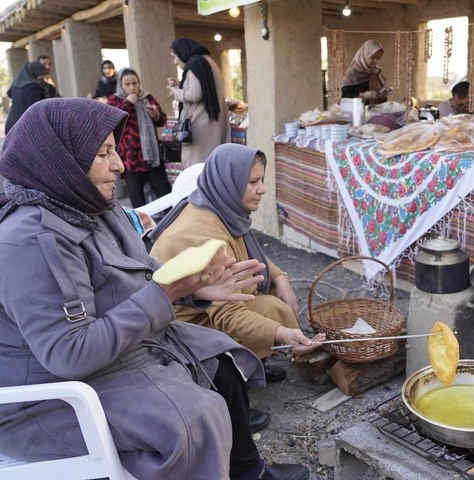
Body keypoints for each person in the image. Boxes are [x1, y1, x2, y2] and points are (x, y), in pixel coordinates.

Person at [0, 98, 310, 480]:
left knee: (223, 362)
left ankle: (246, 470)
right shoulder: (32, 240)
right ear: (58, 160)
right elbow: (69, 352)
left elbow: (144, 269)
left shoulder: (93, 208)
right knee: (193, 418)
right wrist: (164, 295)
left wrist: (196, 288)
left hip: (120, 354)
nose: (120, 165)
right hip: (53, 396)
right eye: (104, 153)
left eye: (115, 151)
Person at [150, 144, 325, 384]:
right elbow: (228, 315)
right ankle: (234, 384)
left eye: (262, 180)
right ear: (228, 182)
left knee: (269, 284)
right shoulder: (206, 236)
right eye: (253, 182)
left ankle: (256, 359)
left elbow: (246, 254)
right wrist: (284, 334)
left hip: (205, 304)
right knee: (272, 308)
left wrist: (281, 277)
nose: (262, 189)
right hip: (182, 324)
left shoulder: (217, 206)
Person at [107, 68, 172, 209]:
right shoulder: (114, 100)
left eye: (134, 83)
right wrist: (128, 103)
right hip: (131, 158)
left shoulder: (146, 97)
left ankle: (171, 223)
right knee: (137, 198)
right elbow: (113, 121)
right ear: (120, 85)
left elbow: (162, 120)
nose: (132, 88)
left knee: (164, 194)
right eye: (127, 84)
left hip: (152, 156)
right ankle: (143, 229)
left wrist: (156, 116)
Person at [168, 38, 230, 169]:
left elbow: (195, 94)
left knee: (197, 170)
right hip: (212, 124)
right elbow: (203, 88)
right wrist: (180, 86)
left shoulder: (196, 63)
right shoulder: (206, 61)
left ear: (182, 52)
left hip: (200, 128)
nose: (175, 61)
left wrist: (175, 92)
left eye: (174, 56)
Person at [5, 61, 48, 135]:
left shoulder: (16, 84)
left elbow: (9, 93)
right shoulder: (34, 88)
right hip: (24, 129)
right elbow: (36, 112)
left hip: (11, 125)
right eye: (41, 75)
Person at [342, 39, 390, 105]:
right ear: (365, 54)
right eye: (373, 57)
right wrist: (364, 95)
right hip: (357, 113)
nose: (375, 61)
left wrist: (382, 95)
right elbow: (345, 99)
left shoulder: (376, 72)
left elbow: (381, 100)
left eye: (378, 58)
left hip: (375, 112)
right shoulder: (352, 73)